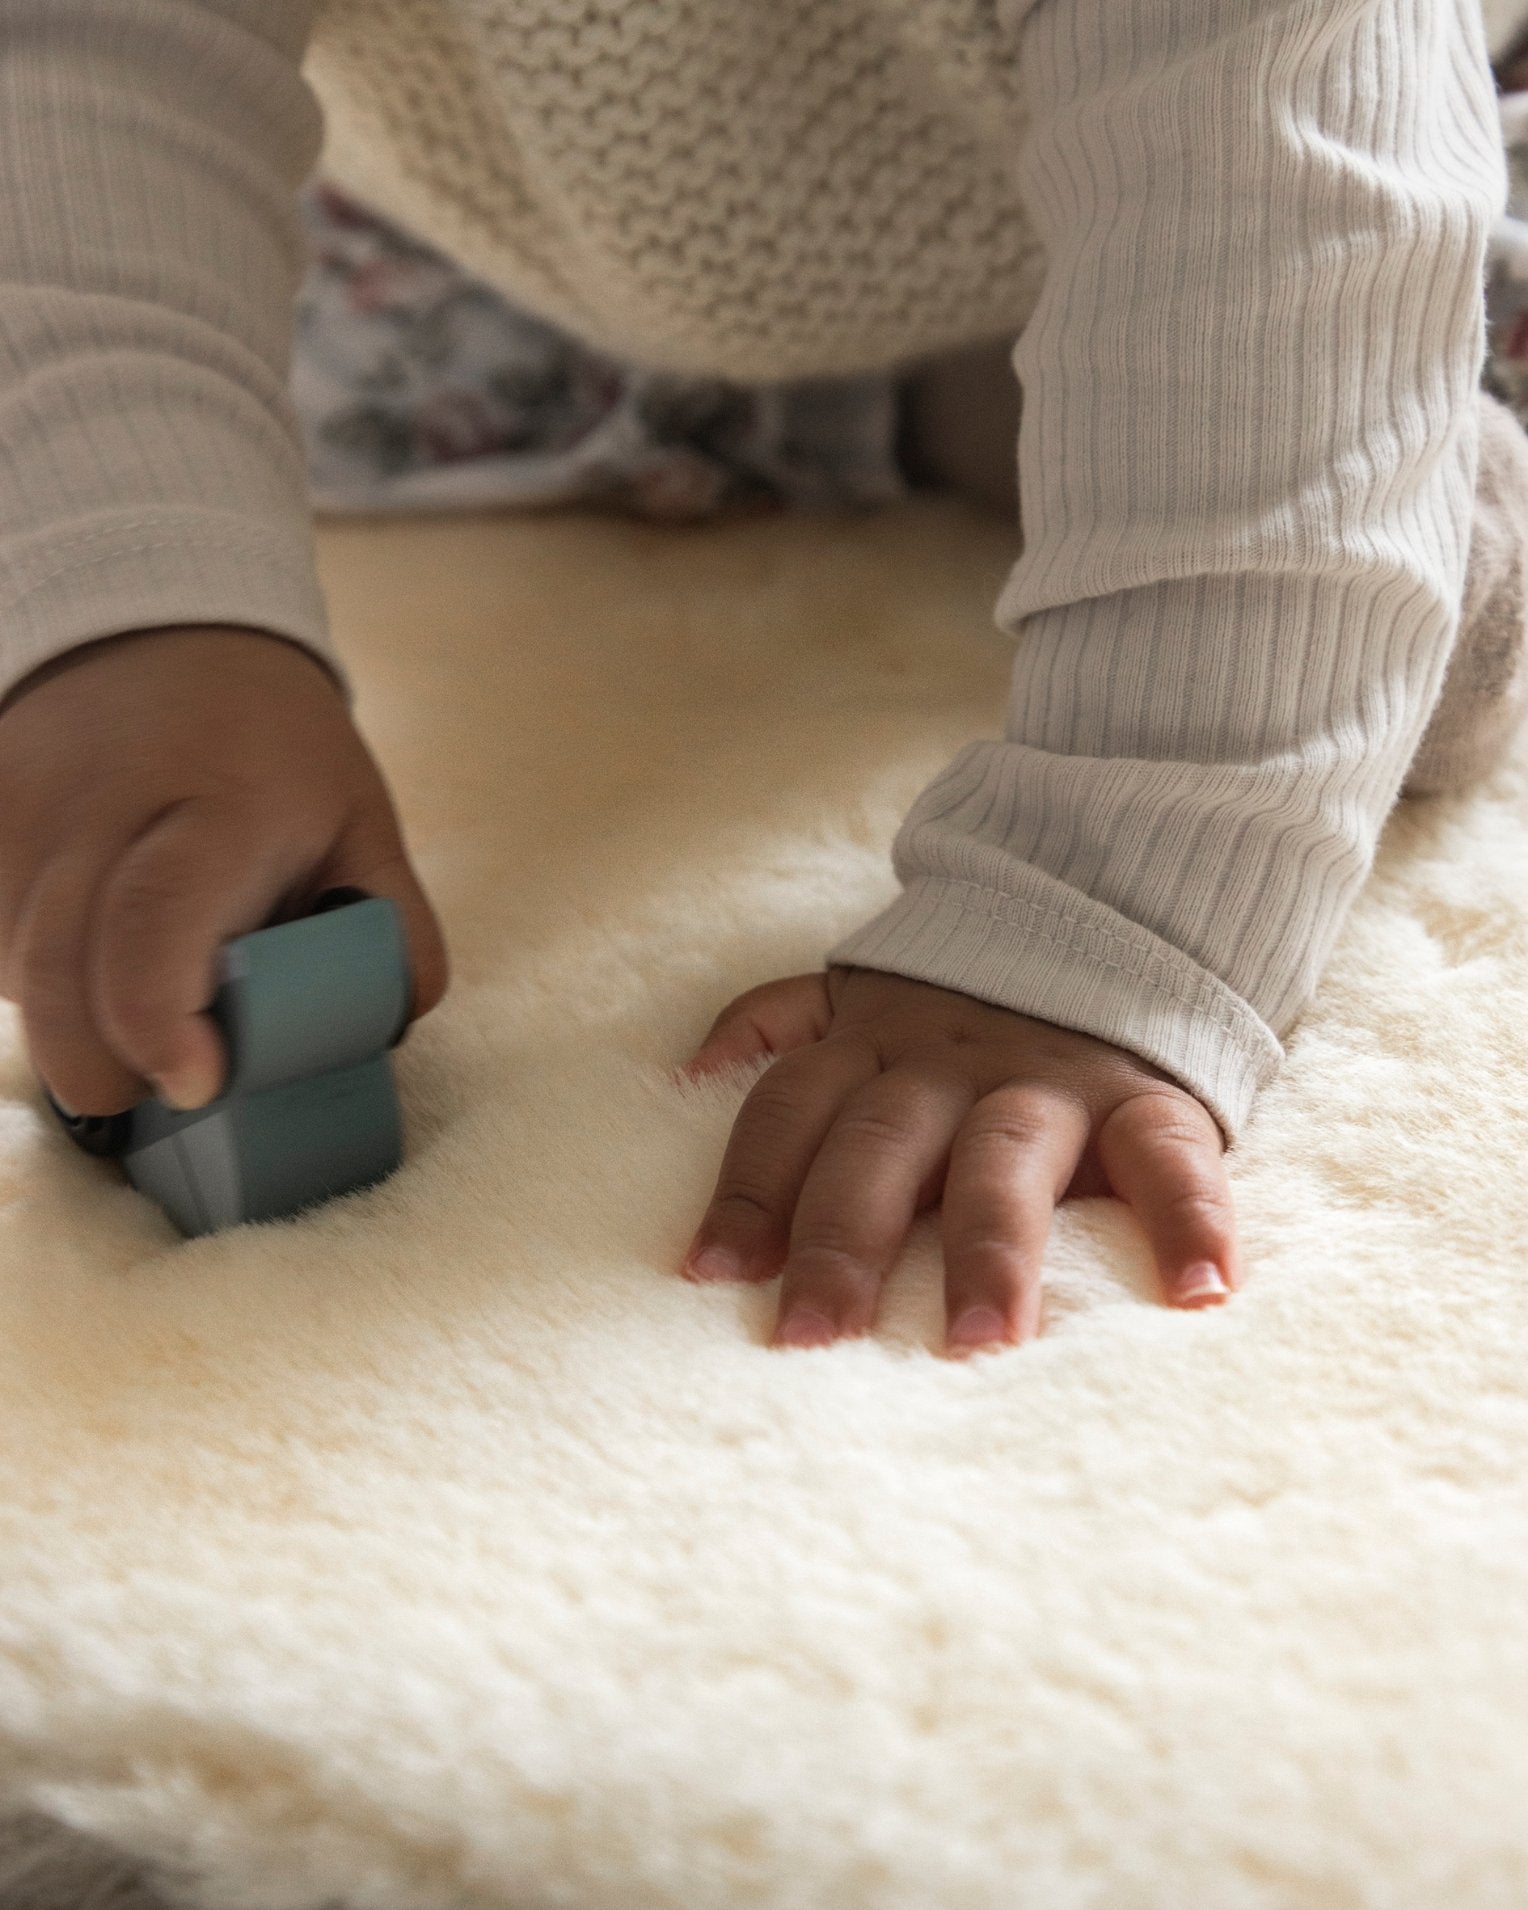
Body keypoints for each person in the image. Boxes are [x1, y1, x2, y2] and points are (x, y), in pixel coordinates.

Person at [0, 0, 1520, 1354]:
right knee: (232, 364)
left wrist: (1110, 900)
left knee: (1352, 574)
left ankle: (1326, 452)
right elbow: (80, 78)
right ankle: (899, 408)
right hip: (544, 230)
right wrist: (148, 618)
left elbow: (1289, 194)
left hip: (1319, 153)